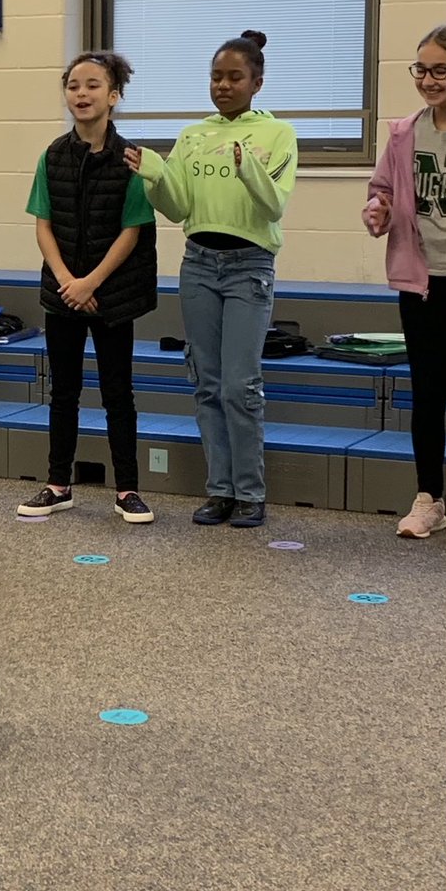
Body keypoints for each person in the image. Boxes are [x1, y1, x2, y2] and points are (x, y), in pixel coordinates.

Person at [126, 30, 298, 529]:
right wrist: (155, 177)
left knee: (241, 386)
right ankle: (219, 490)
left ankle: (250, 494)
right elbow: (179, 208)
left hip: (249, 268)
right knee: (207, 382)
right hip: (199, 264)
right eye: (216, 77)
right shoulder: (192, 136)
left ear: (257, 83)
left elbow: (273, 205)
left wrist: (248, 169)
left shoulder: (278, 134)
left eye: (234, 77)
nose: (223, 86)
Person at [16, 51, 158, 523]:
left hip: (112, 296)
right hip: (63, 295)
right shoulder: (52, 155)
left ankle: (128, 490)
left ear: (113, 96)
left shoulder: (131, 159)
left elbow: (132, 231)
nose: (81, 93)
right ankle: (58, 484)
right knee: (64, 392)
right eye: (74, 85)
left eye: (93, 85)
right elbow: (43, 225)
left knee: (118, 393)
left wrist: (91, 282)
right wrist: (67, 282)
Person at [363, 23, 446, 538]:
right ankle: (429, 499)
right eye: (421, 69)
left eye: (441, 70)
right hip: (422, 282)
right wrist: (377, 210)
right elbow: (381, 190)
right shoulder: (403, 133)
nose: (428, 80)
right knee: (427, 392)